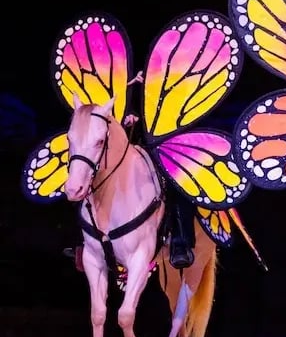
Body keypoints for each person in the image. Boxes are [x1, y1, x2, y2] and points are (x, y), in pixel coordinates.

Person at [63, 102, 197, 271]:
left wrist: (141, 119)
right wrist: (129, 112)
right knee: (83, 174)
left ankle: (180, 240)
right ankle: (81, 240)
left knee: (176, 177)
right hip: (115, 136)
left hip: (159, 137)